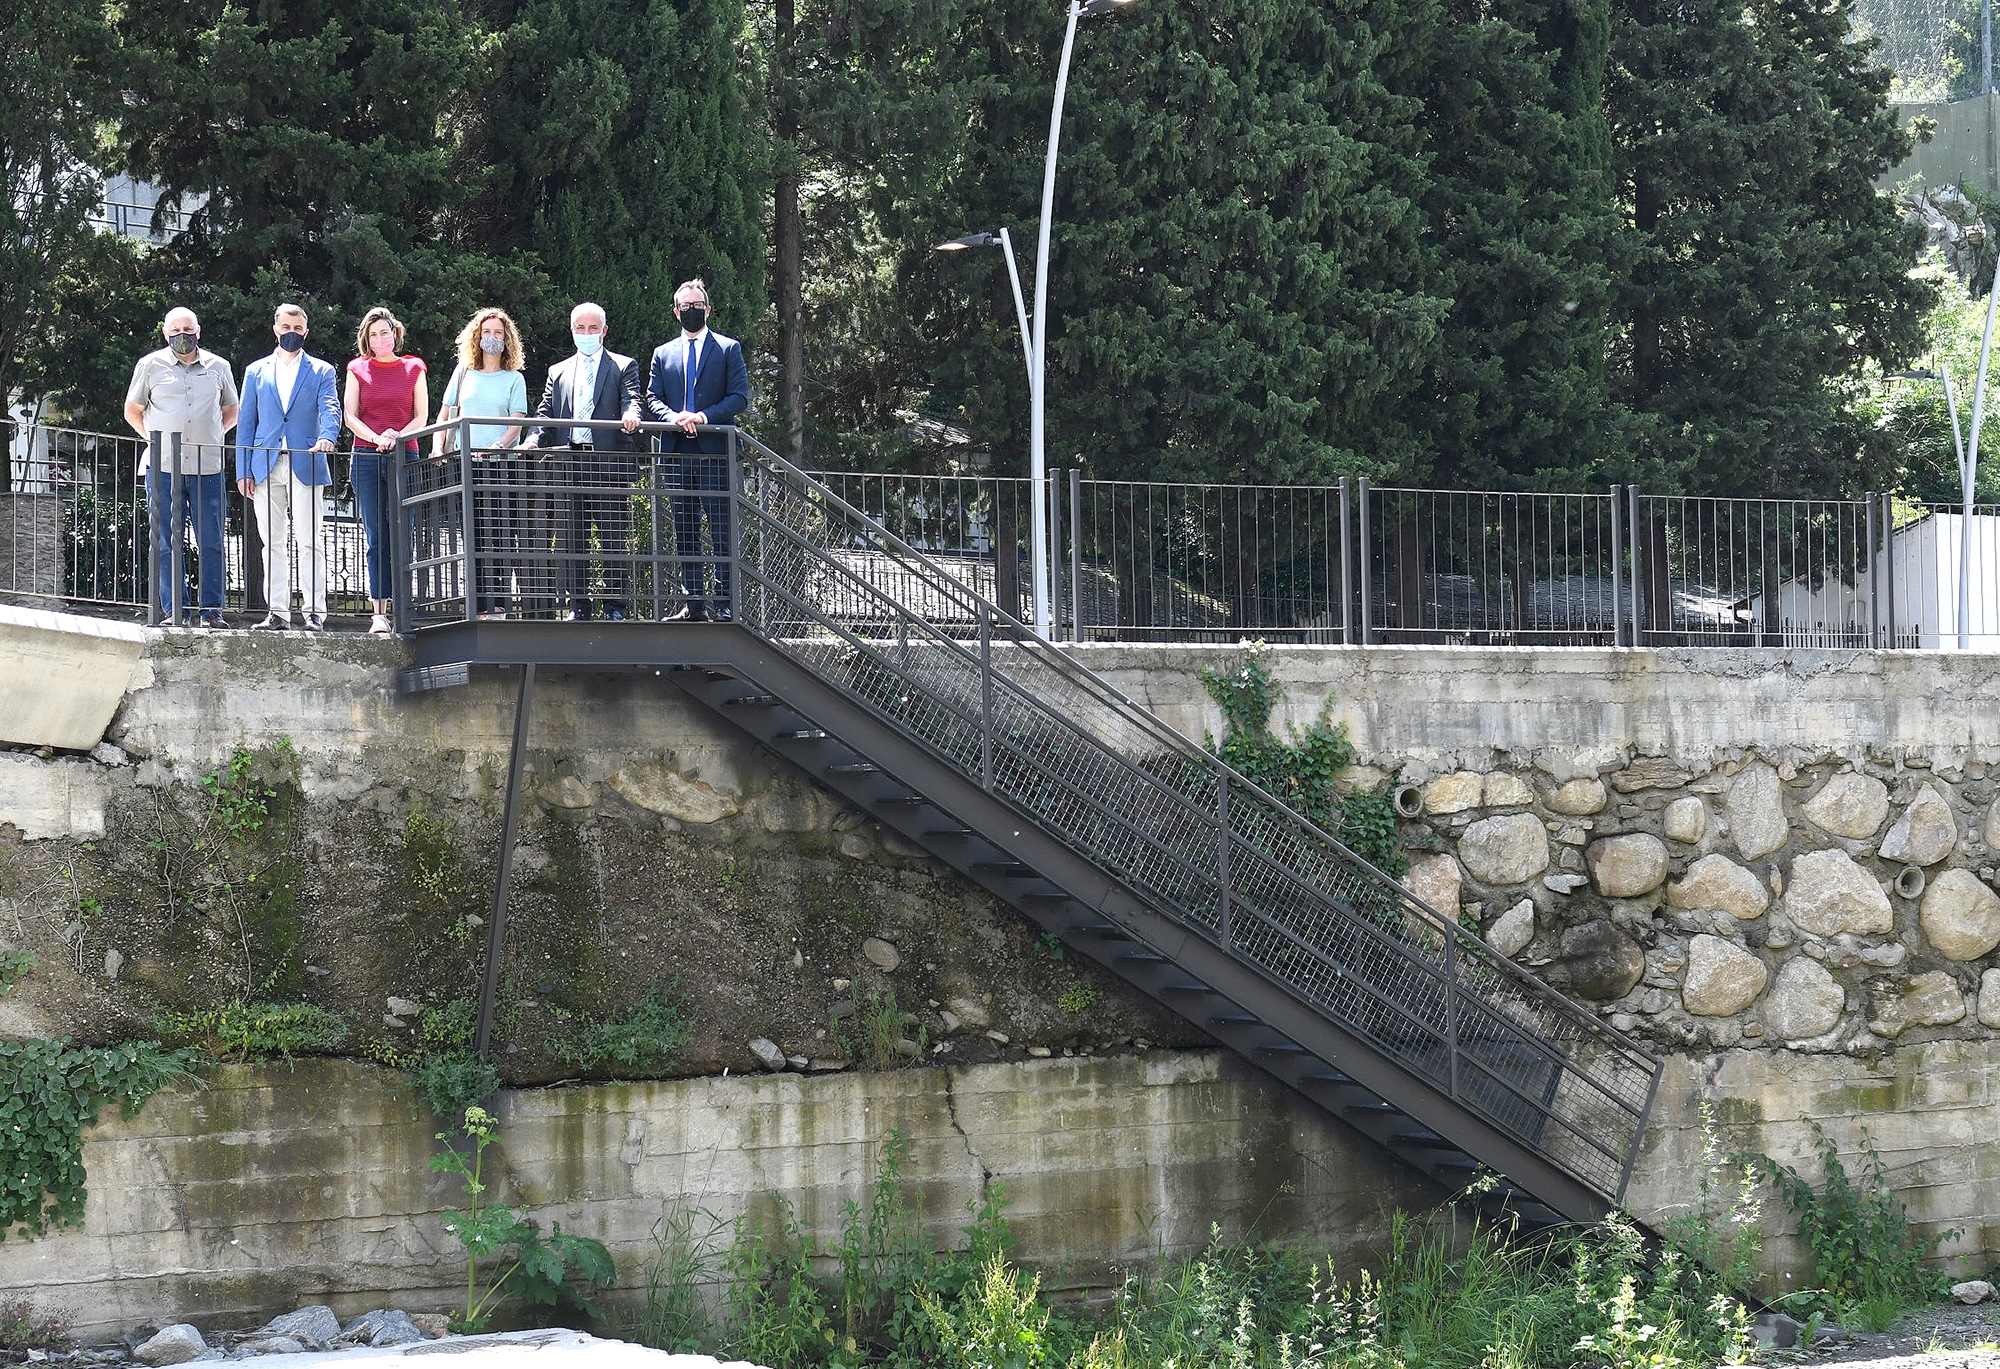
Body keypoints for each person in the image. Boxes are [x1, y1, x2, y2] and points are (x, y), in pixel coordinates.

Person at [522, 302, 643, 620]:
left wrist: (631, 414)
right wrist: (534, 437)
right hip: (568, 461)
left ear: (604, 331)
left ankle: (615, 606)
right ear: (572, 331)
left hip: (607, 462)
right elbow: (545, 411)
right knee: (572, 540)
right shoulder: (557, 371)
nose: (586, 334)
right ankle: (579, 606)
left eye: (593, 328)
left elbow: (632, 398)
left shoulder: (622, 365)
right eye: (580, 328)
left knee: (613, 538)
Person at [124, 307, 240, 628]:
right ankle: (175, 610)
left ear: (199, 331)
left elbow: (231, 410)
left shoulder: (220, 367)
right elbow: (133, 410)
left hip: (208, 467)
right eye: (175, 331)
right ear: (165, 333)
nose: (182, 336)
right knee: (165, 542)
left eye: (187, 329)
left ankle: (212, 611)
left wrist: (213, 435)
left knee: (212, 540)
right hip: (162, 466)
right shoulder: (150, 365)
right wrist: (153, 439)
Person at [647, 279, 751, 621]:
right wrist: (675, 417)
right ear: (676, 311)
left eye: (697, 305)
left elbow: (740, 397)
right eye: (685, 306)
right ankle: (693, 605)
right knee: (685, 532)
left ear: (707, 309)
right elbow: (652, 397)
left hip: (714, 453)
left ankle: (724, 606)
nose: (692, 311)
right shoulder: (662, 354)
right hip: (677, 453)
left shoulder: (728, 348)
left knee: (721, 532)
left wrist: (703, 416)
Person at [236, 304, 342, 631]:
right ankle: (278, 612)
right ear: (275, 329)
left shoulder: (322, 371)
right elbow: (246, 423)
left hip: (306, 460)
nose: (290, 333)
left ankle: (314, 612)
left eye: (297, 328)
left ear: (305, 332)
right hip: (265, 465)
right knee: (272, 542)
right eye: (285, 327)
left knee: (311, 540)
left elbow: (330, 408)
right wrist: (243, 470)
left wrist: (327, 437)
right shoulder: (256, 371)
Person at [434, 307, 528, 618]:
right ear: (477, 336)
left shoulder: (515, 379)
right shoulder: (463, 373)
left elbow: (516, 424)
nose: (492, 338)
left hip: (502, 466)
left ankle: (499, 604)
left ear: (507, 339)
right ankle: (476, 603)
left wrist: (498, 445)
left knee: (500, 533)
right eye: (486, 332)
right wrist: (437, 448)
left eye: (498, 333)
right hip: (466, 464)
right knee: (471, 533)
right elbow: (446, 415)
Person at [344, 306, 429, 635]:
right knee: (376, 536)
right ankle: (379, 611)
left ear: (395, 333)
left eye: (385, 332)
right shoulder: (357, 368)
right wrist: (376, 437)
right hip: (366, 455)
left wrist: (396, 436)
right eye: (373, 334)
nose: (380, 338)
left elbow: (421, 415)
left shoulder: (413, 367)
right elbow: (350, 416)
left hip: (404, 456)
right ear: (367, 338)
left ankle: (403, 607)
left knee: (402, 534)